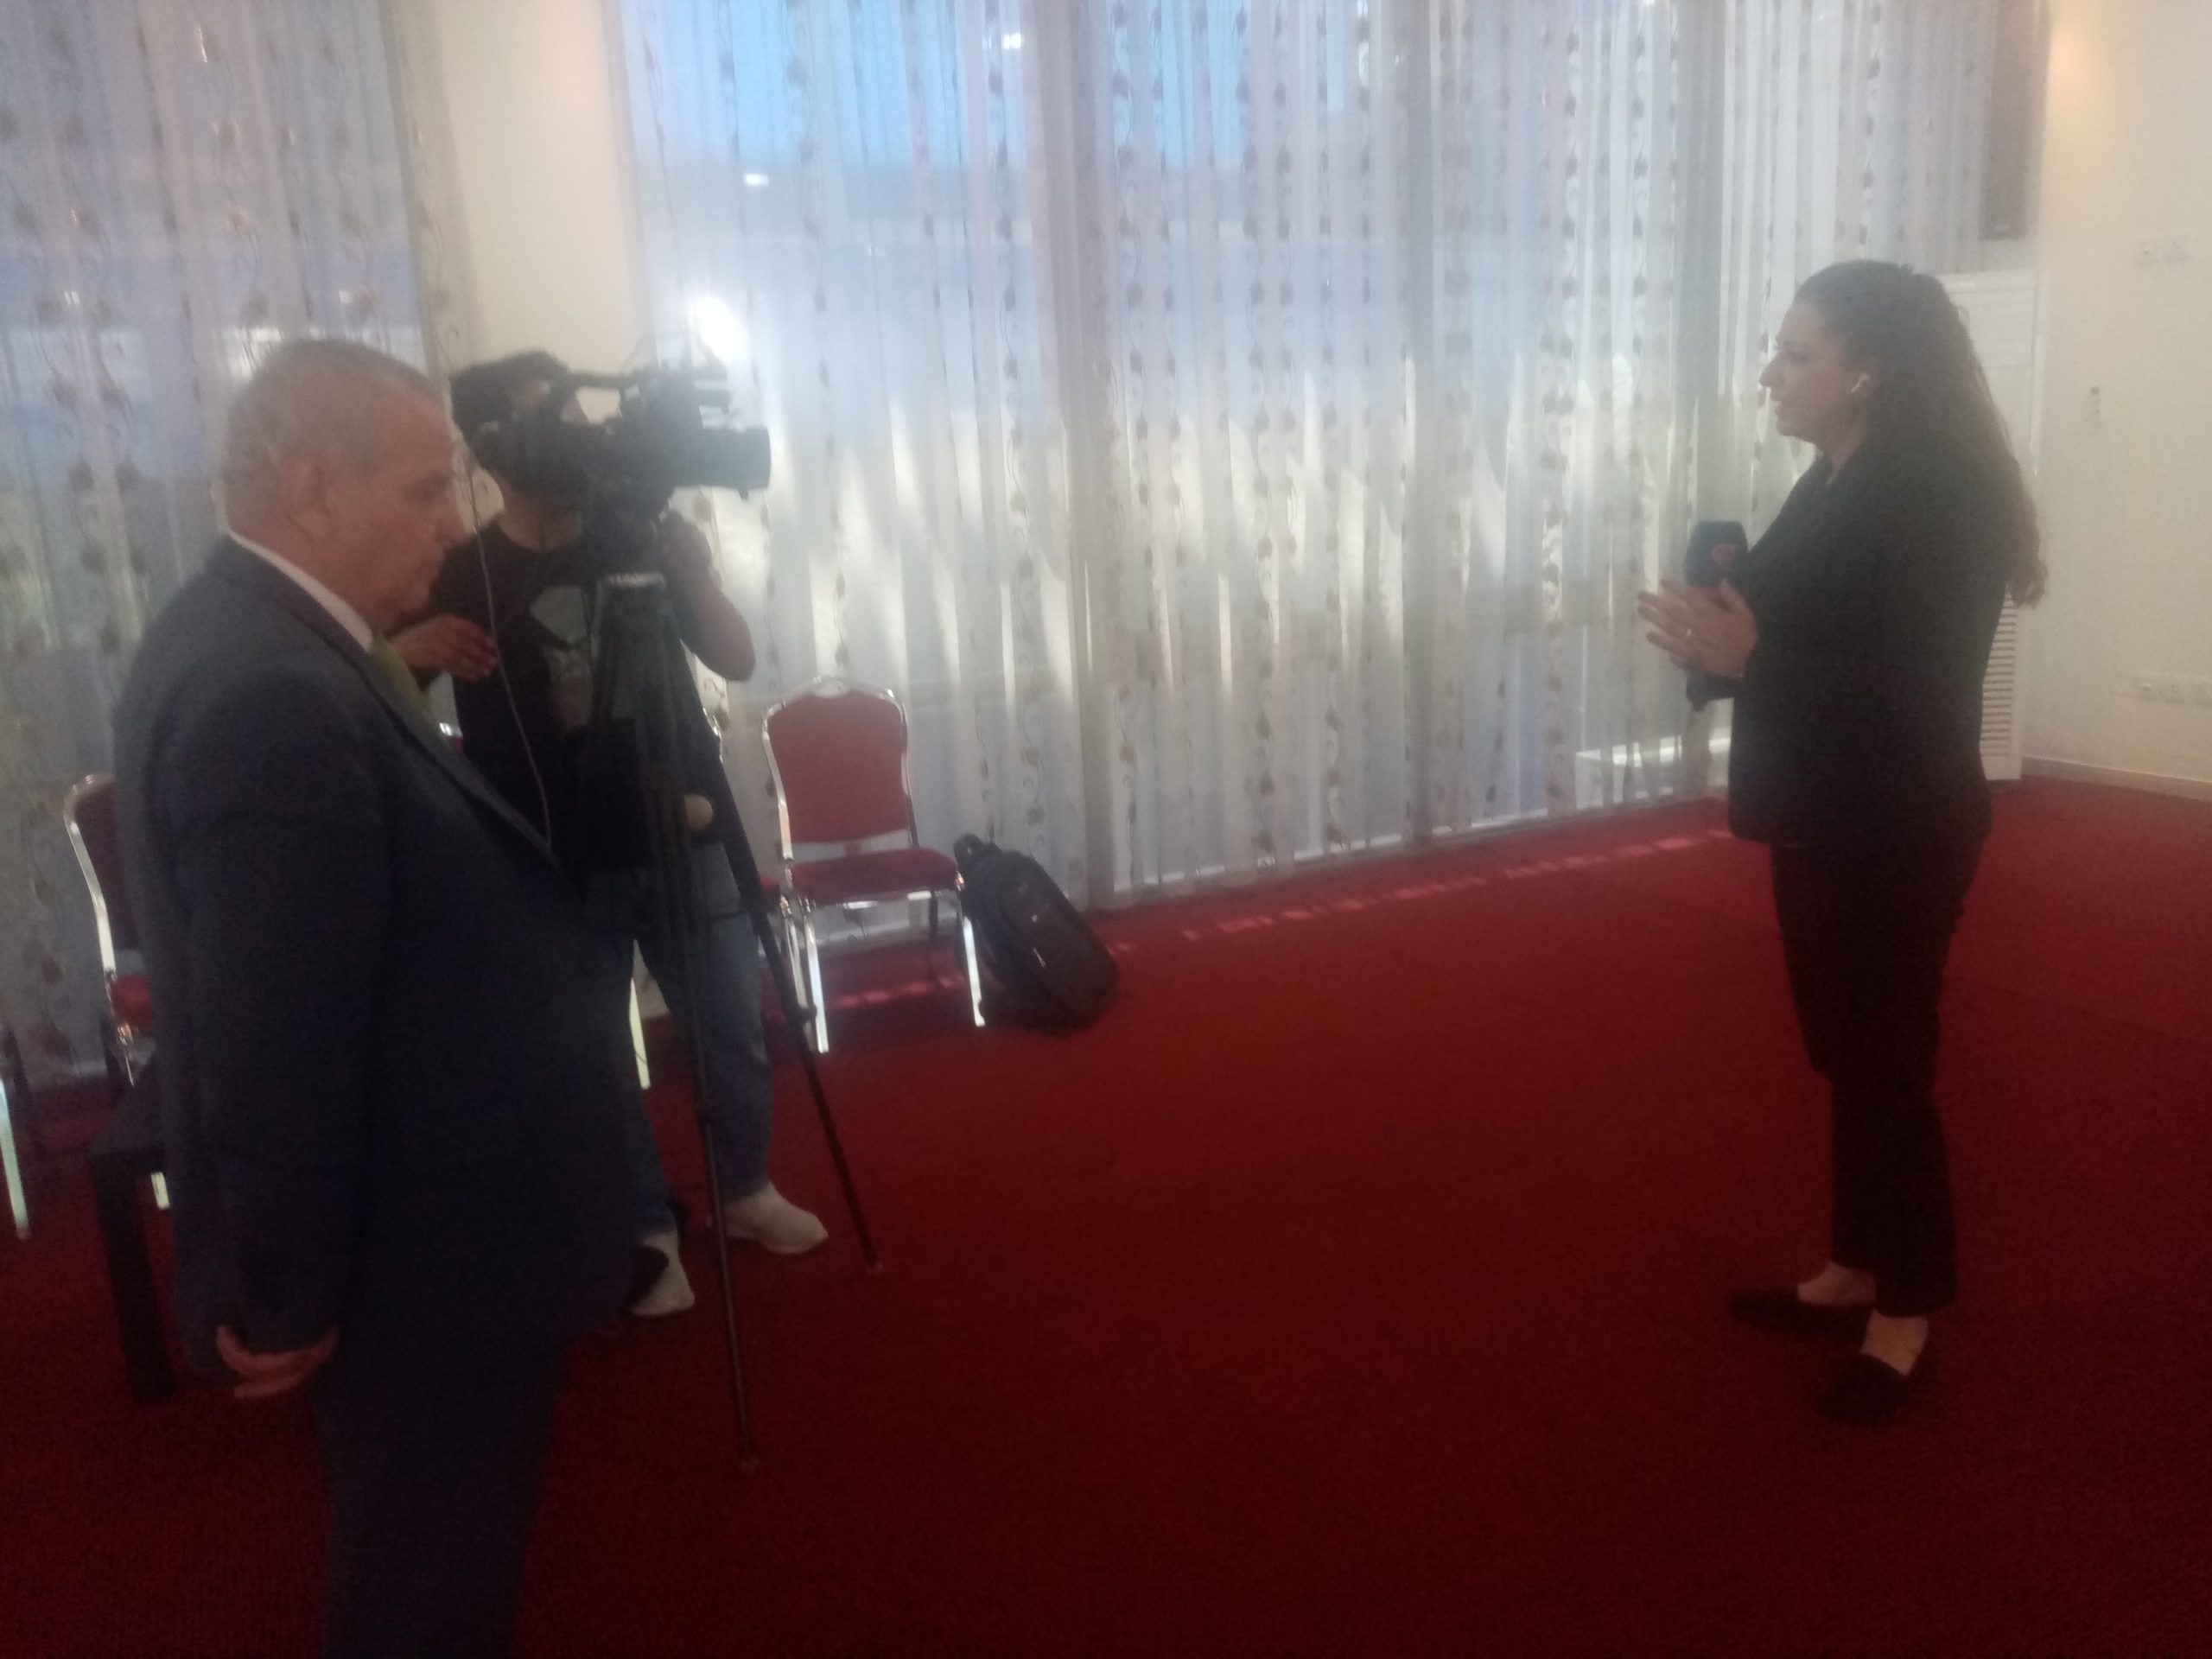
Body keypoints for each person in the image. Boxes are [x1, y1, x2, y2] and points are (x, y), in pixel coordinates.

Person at [111, 339, 637, 1655]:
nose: (454, 525)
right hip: (423, 1265)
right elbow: (276, 1036)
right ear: (310, 488)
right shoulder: (272, 692)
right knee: (424, 1585)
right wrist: (285, 1291)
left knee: (429, 1557)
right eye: (424, 490)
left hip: (419, 1241)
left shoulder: (261, 636)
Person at [1637, 260, 2045, 1426]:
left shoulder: (1943, 491)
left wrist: (1754, 660)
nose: (1770, 372)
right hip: (1823, 812)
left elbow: (1922, 696)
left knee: (1886, 1070)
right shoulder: (1833, 477)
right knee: (1847, 1058)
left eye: (1794, 352)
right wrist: (1719, 648)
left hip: (1895, 826)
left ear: (1866, 370)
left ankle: (1906, 1314)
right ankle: (1854, 1268)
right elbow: (1791, 631)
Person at [391, 351, 824, 1318]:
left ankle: (744, 1190)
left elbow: (735, 656)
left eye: (572, 418)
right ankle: (644, 1229)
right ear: (488, 449)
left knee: (729, 1028)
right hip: (551, 853)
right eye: (540, 421)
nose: (568, 439)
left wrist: (695, 577)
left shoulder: (639, 537)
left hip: (684, 830)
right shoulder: (461, 570)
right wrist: (404, 650)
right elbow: (377, 706)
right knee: (594, 1056)